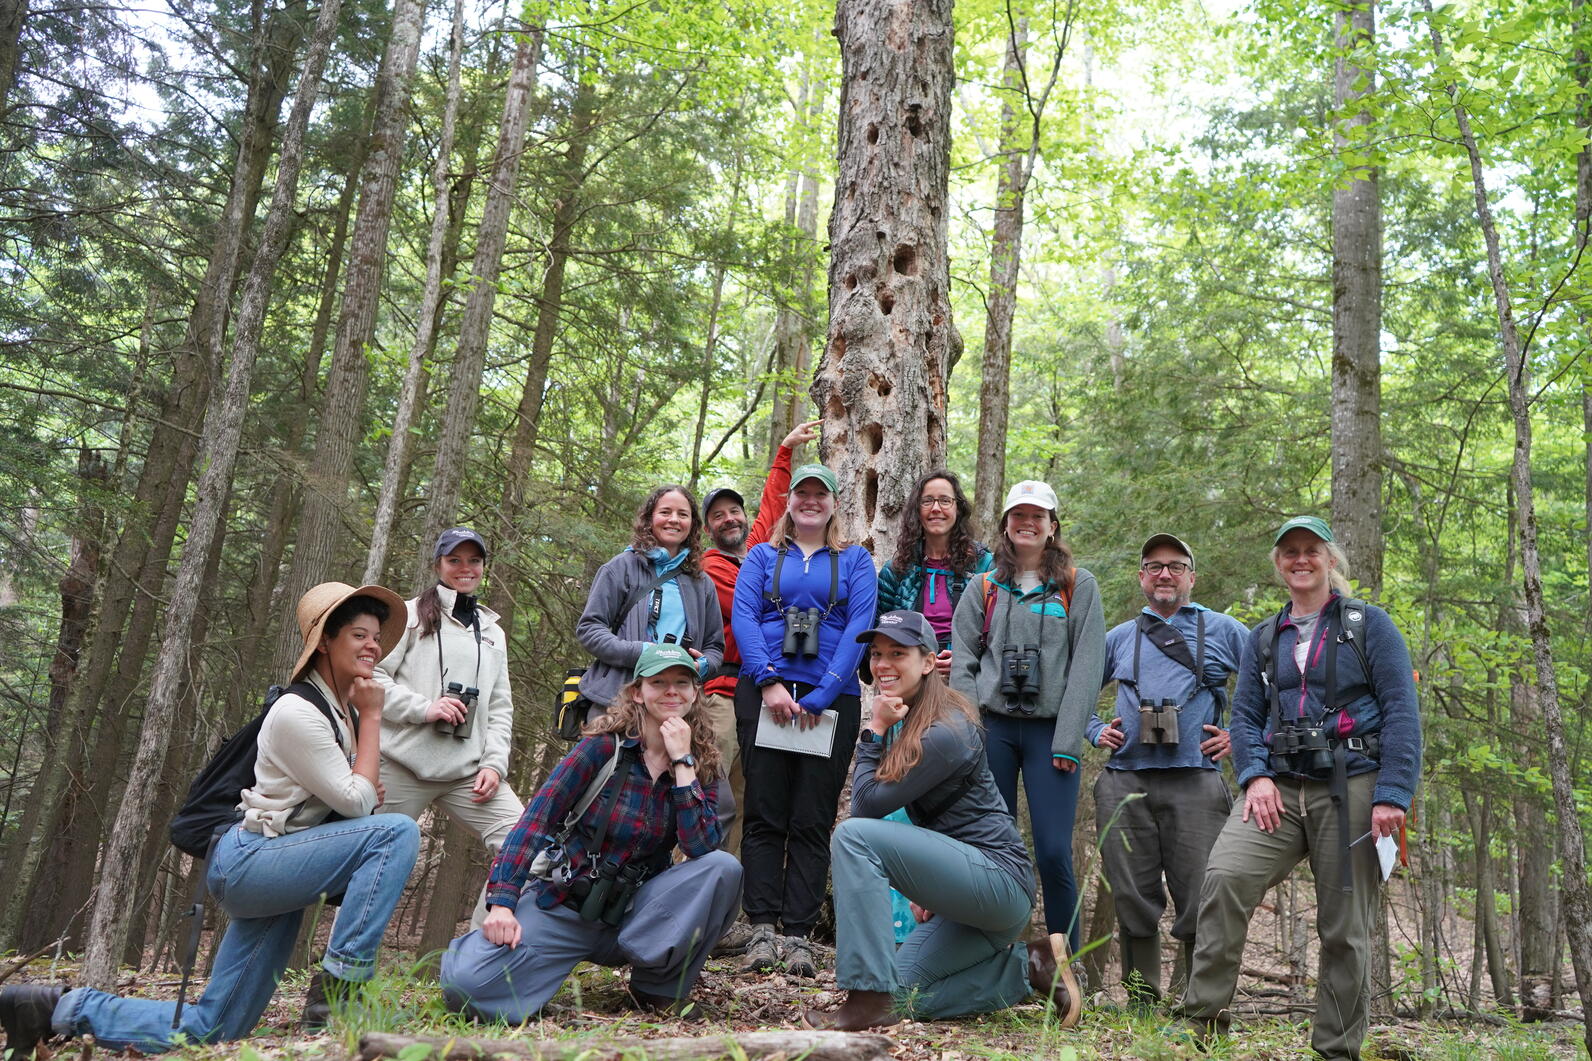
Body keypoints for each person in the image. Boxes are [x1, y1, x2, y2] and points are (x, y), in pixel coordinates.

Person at [0, 584, 421, 1056]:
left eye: (377, 638)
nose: (373, 646)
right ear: (323, 642)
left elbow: (355, 798)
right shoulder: (296, 710)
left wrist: (358, 778)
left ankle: (55, 1008)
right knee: (397, 832)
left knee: (215, 1027)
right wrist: (373, 724)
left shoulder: (340, 714)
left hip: (279, 864)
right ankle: (340, 993)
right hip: (251, 861)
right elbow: (362, 804)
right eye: (359, 635)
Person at [1177, 516, 1422, 1059]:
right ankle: (1202, 1029)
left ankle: (1335, 1049)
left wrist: (1393, 795)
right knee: (1224, 878)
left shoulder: (1369, 625)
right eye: (1290, 552)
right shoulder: (1265, 636)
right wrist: (1255, 775)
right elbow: (1244, 718)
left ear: (1330, 559)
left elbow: (1403, 713)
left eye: (1311, 549)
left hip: (1353, 784)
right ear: (1279, 564)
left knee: (1344, 927)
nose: (1301, 559)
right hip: (1279, 788)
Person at [802, 610, 1080, 1032]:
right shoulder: (914, 718)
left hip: (998, 883)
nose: (882, 665)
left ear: (929, 662)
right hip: (969, 895)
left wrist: (872, 731)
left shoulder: (946, 730)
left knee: (853, 837)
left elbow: (864, 808)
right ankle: (1031, 968)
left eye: (898, 653)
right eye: (877, 654)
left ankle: (862, 995)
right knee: (902, 995)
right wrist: (934, 885)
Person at [439, 643, 741, 1021]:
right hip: (566, 904)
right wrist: (502, 902)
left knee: (723, 869)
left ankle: (658, 987)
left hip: (639, 915)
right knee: (466, 989)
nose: (671, 691)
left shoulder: (702, 761)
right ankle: (490, 959)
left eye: (682, 682)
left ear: (695, 692)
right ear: (637, 692)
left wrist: (683, 762)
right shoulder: (602, 748)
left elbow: (701, 847)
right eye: (658, 682)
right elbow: (536, 821)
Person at [730, 462, 878, 977]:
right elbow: (744, 617)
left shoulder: (856, 561)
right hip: (765, 694)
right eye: (802, 493)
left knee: (812, 817)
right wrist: (767, 681)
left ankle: (798, 934)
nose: (811, 501)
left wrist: (824, 694)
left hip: (829, 700)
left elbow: (861, 623)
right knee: (766, 811)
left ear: (834, 503)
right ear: (790, 501)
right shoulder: (761, 557)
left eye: (821, 494)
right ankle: (762, 927)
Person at [1088, 533, 1247, 1004]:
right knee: (1132, 897)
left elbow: (1272, 689)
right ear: (1141, 577)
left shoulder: (1224, 630)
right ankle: (1142, 1003)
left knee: (1201, 896)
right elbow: (1072, 695)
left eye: (1176, 566)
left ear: (1191, 577)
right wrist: (1096, 730)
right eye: (1154, 566)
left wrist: (1238, 735)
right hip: (1124, 781)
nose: (1164, 574)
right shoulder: (1118, 637)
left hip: (1196, 781)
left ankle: (1198, 1006)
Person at [950, 480, 1104, 954]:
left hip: (1050, 736)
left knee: (1054, 852)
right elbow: (963, 659)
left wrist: (1068, 738)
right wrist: (971, 729)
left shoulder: (1079, 585)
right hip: (993, 730)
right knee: (992, 848)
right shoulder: (985, 584)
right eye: (1019, 515)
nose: (1027, 523)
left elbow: (1087, 663)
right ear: (1006, 526)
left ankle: (1066, 963)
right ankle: (994, 954)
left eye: (1038, 516)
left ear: (1052, 526)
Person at [700, 419, 821, 856]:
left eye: (734, 511)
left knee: (756, 799)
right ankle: (695, 887)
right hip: (723, 696)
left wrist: (785, 452)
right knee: (713, 797)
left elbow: (773, 506)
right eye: (718, 515)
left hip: (765, 693)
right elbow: (748, 608)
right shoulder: (711, 567)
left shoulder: (755, 552)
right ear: (708, 528)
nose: (729, 518)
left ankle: (734, 898)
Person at [373, 529, 522, 876]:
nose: (465, 568)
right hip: (400, 767)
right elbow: (373, 679)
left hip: (467, 773)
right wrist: (425, 708)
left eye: (474, 560)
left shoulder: (492, 631)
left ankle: (486, 930)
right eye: (454, 560)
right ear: (438, 563)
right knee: (371, 865)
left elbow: (500, 707)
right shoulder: (408, 615)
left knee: (528, 850)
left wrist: (494, 764)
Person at [876, 469, 993, 670]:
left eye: (945, 501)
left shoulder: (983, 566)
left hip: (966, 677)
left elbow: (996, 629)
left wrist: (965, 659)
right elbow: (881, 630)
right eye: (927, 501)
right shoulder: (897, 569)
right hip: (910, 677)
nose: (936, 508)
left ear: (958, 508)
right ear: (917, 510)